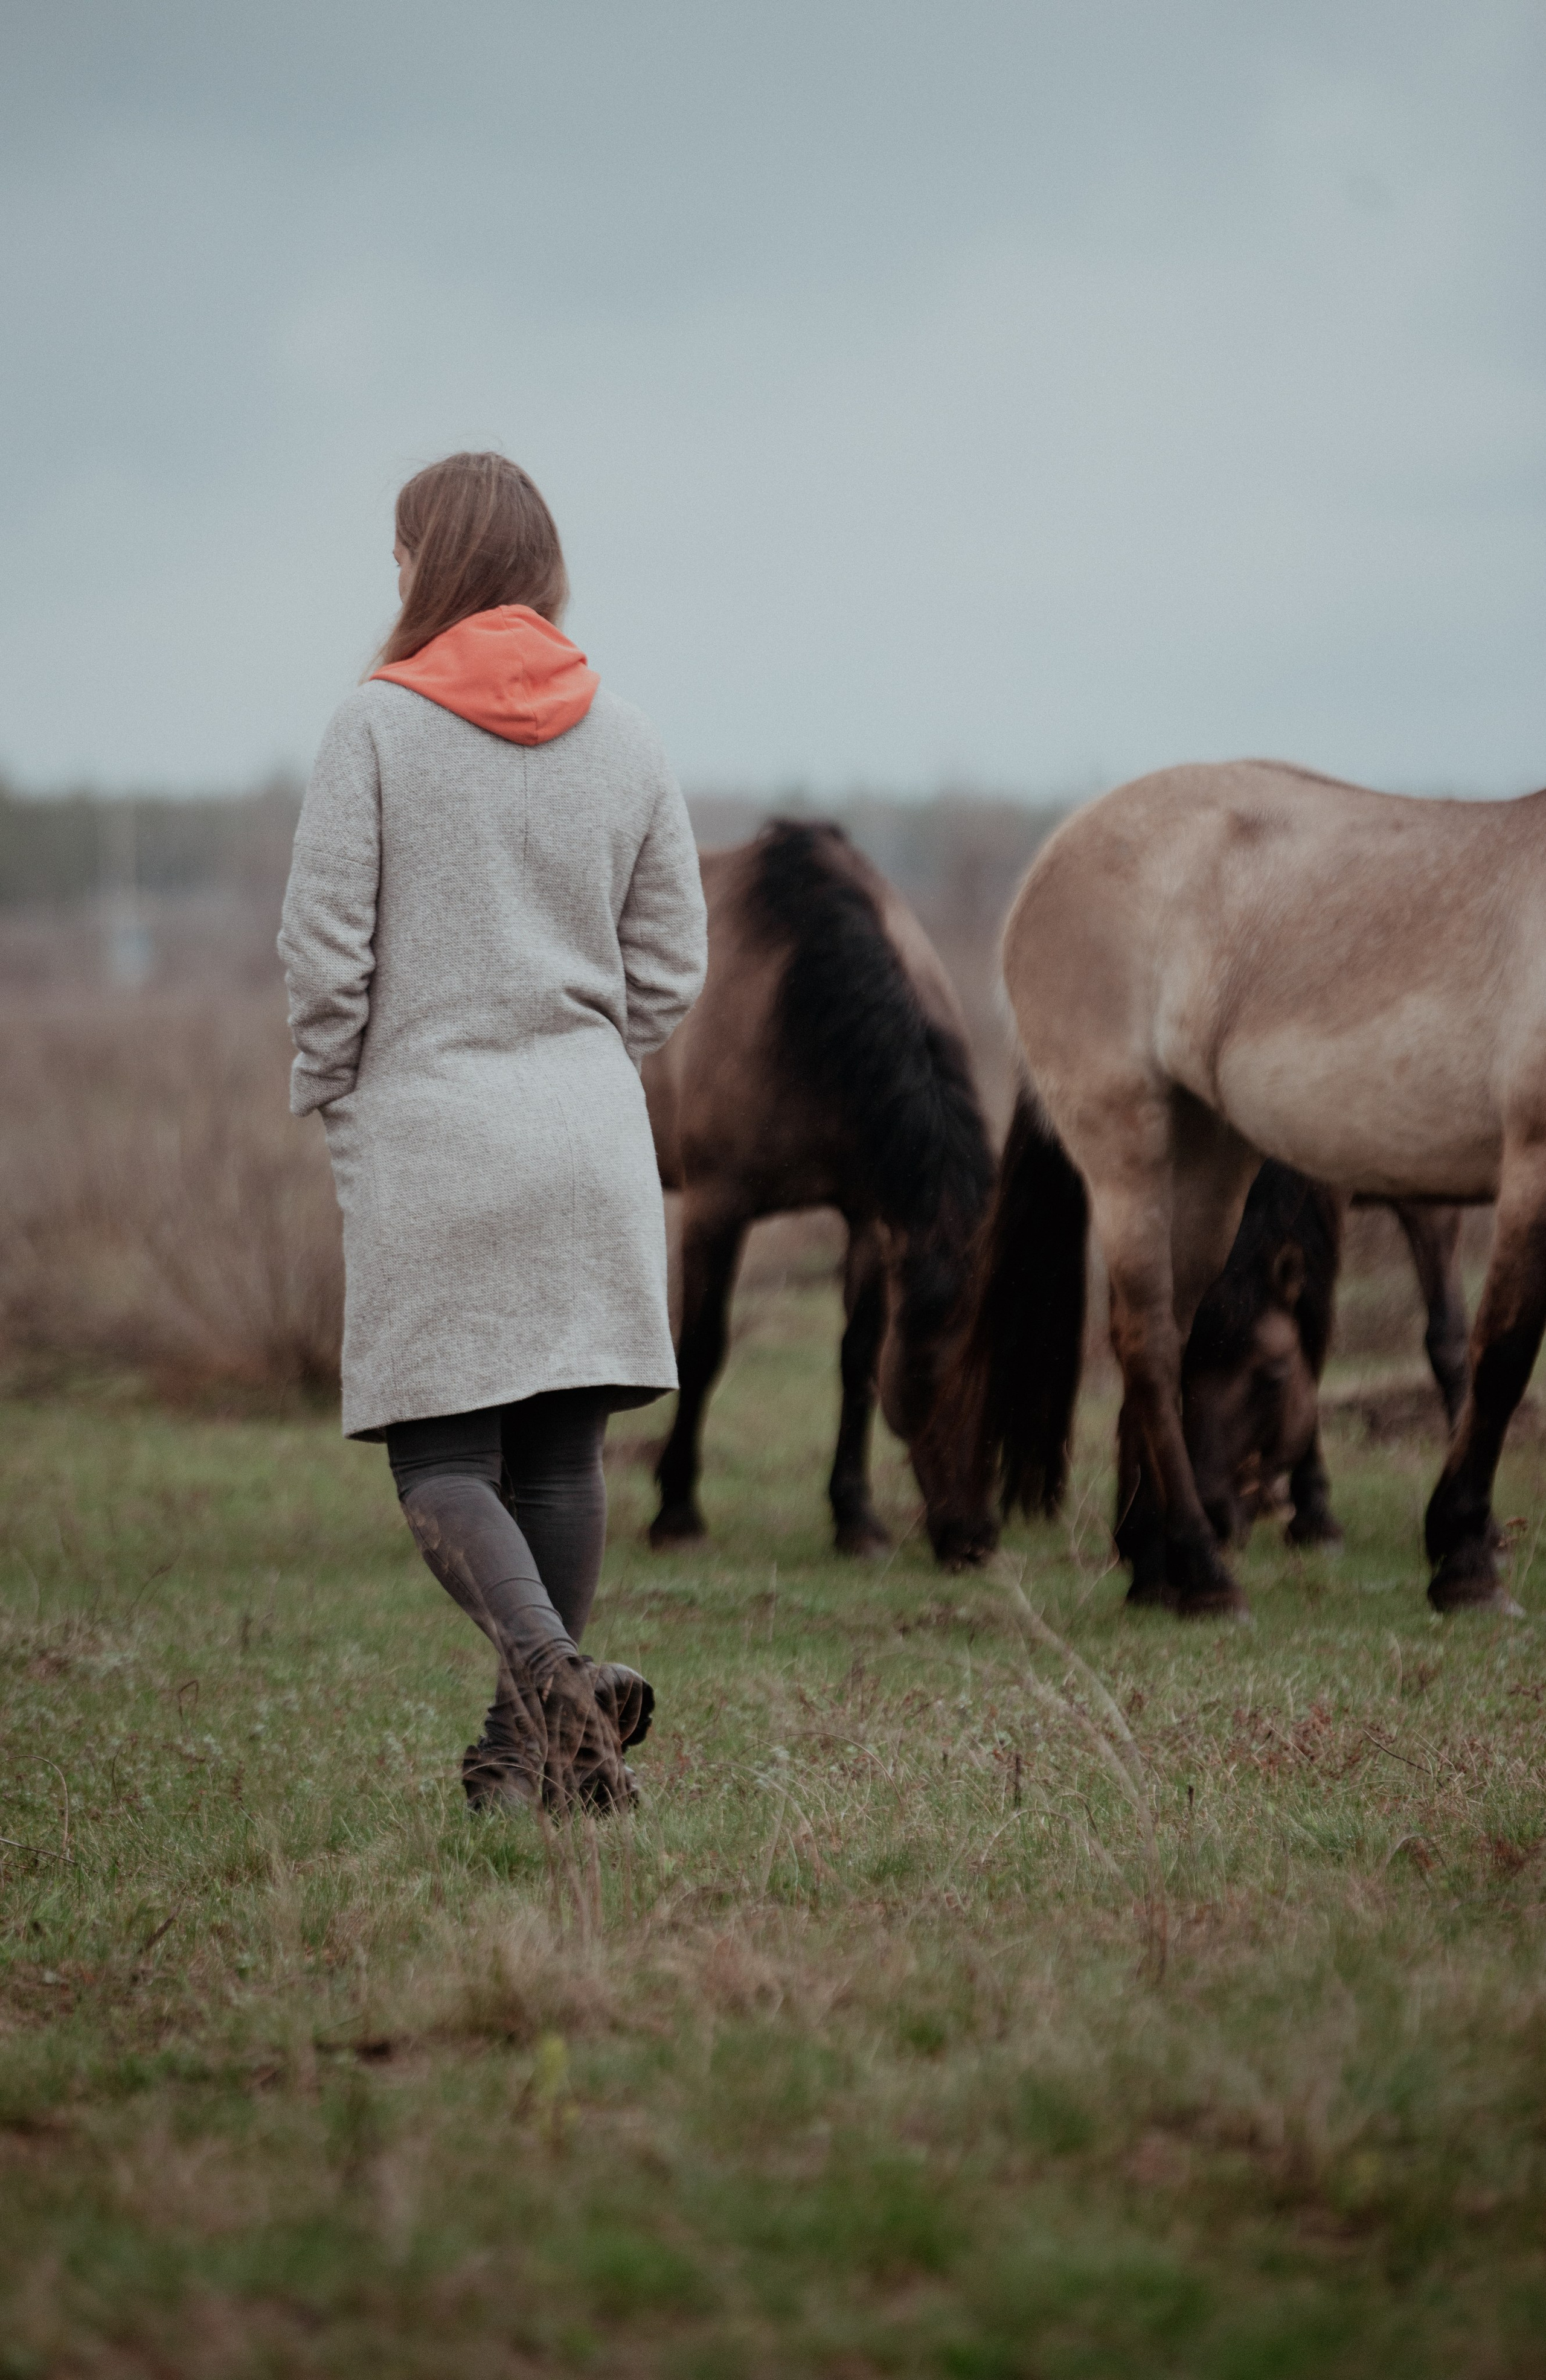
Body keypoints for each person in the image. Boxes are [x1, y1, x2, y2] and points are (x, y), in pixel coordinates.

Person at [278, 451, 707, 1815]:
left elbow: (323, 960)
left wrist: (341, 1092)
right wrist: (583, 1058)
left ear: (426, 565)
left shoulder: (373, 729)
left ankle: (545, 1684)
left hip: (432, 1133)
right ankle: (522, 1763)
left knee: (442, 1460)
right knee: (562, 1453)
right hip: (589, 1139)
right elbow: (675, 962)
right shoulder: (627, 736)